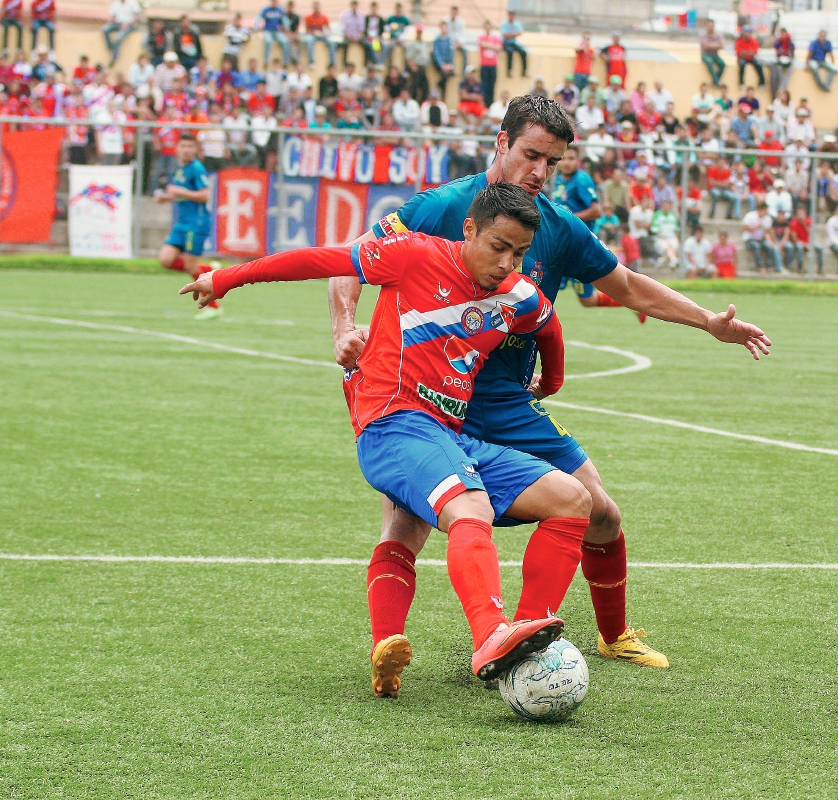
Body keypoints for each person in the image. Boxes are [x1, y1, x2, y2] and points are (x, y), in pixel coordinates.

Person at [327, 97, 771, 685]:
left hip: (508, 405)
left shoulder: (557, 229)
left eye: (553, 162)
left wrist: (709, 321)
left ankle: (607, 636)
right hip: (427, 401)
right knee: (405, 522)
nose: (539, 172)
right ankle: (390, 651)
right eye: (531, 155)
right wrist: (344, 326)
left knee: (601, 513)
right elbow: (346, 263)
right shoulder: (443, 207)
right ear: (501, 144)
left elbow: (630, 286)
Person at [185, 183, 595, 696]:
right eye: (497, 247)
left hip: (448, 435)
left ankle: (525, 637)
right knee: (468, 507)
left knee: (573, 500)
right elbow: (319, 259)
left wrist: (551, 380)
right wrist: (228, 278)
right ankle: (492, 634)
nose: (506, 262)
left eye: (518, 253)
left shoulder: (517, 293)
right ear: (469, 229)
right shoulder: (414, 255)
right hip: (391, 422)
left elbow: (549, 327)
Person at [156, 134, 218, 320]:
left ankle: (214, 307)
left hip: (196, 223)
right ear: (177, 148)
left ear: (196, 150)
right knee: (166, 260)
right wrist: (167, 198)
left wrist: (177, 191)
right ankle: (206, 269)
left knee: (191, 268)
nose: (187, 150)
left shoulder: (196, 168)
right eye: (183, 146)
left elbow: (205, 195)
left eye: (191, 146)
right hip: (182, 223)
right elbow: (182, 194)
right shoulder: (180, 168)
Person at [104, 0, 144, 67]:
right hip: (118, 23)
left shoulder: (132, 3)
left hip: (130, 25)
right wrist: (111, 20)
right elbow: (112, 16)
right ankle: (111, 47)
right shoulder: (116, 3)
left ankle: (114, 57)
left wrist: (127, 24)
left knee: (119, 37)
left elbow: (137, 17)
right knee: (105, 29)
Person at [258, 0, 292, 67]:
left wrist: (287, 27)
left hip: (277, 31)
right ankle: (266, 60)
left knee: (285, 41)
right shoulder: (266, 10)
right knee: (268, 41)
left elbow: (285, 19)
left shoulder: (280, 10)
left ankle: (286, 61)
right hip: (267, 31)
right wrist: (256, 26)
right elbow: (259, 18)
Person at [476, 20, 501, 107]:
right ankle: (484, 104)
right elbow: (480, 44)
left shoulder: (496, 38)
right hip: (484, 64)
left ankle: (490, 104)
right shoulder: (481, 37)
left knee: (492, 86)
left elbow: (499, 48)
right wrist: (492, 46)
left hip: (493, 64)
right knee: (484, 85)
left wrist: (487, 45)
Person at [431, 20, 455, 99]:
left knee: (446, 77)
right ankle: (440, 91)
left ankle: (439, 86)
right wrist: (442, 64)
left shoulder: (449, 40)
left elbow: (451, 53)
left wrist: (450, 64)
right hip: (440, 63)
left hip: (448, 63)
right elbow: (436, 54)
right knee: (444, 76)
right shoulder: (437, 40)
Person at [500, 10, 526, 78]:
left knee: (523, 52)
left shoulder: (516, 24)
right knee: (509, 52)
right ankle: (509, 71)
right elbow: (505, 35)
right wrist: (514, 34)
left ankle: (524, 71)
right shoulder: (504, 24)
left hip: (513, 43)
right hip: (505, 43)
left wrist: (510, 34)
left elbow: (520, 33)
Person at [699, 19, 725, 88]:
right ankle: (717, 82)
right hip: (705, 54)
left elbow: (721, 46)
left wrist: (710, 45)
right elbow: (705, 46)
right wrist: (716, 45)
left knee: (722, 64)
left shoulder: (718, 34)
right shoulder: (703, 34)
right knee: (709, 62)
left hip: (715, 54)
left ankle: (715, 81)